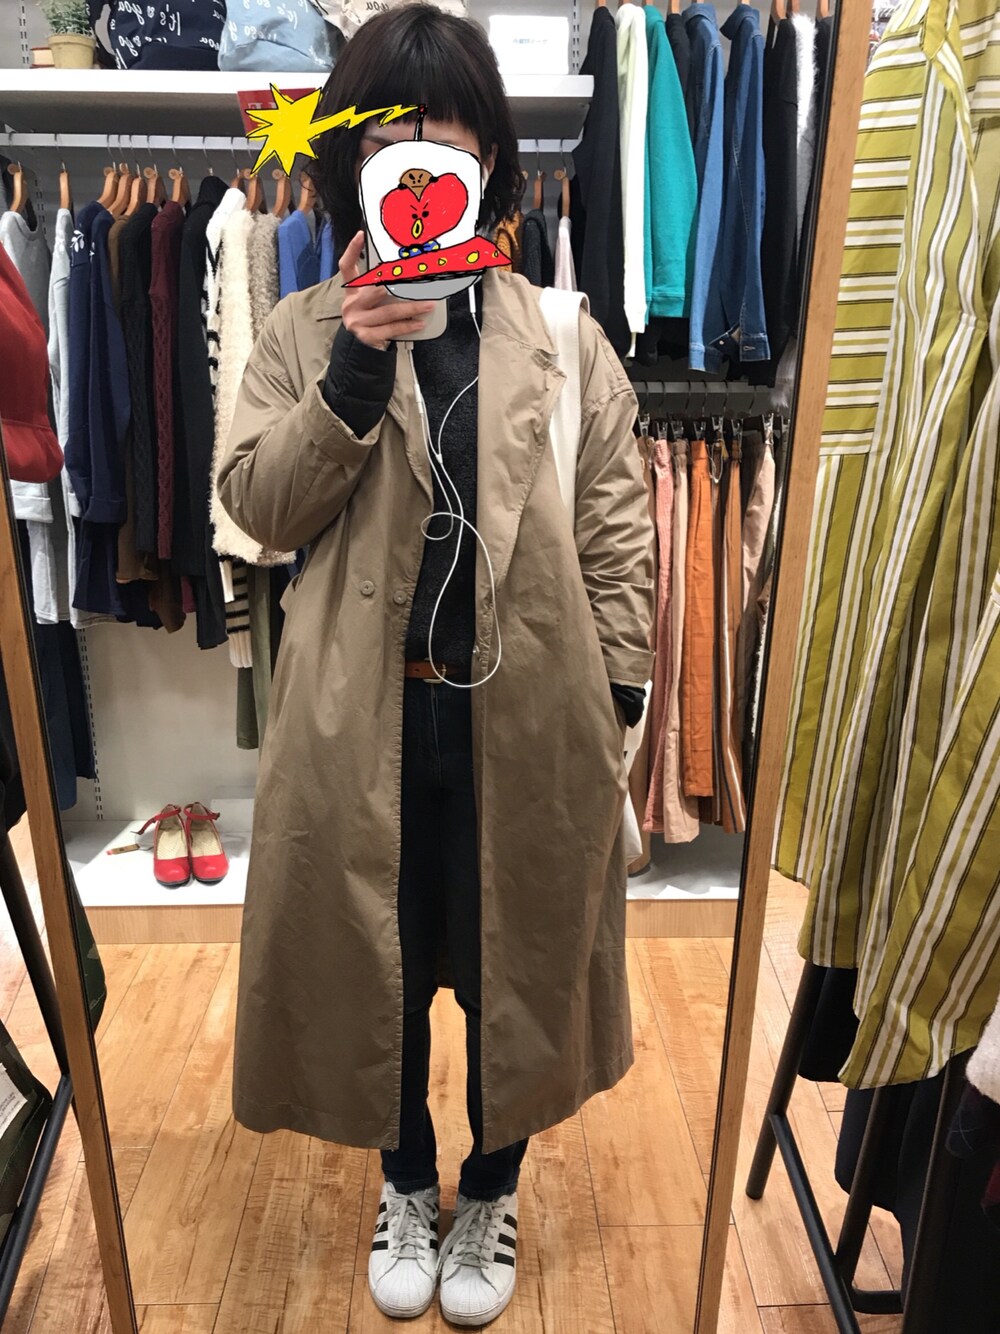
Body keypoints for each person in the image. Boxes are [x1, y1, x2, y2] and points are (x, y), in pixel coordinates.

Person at [218, 6, 654, 1327]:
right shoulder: (305, 330)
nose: (416, 160)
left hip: (528, 726)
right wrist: (354, 371)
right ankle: (407, 1177)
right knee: (385, 973)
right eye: (385, 140)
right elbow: (257, 503)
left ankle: (492, 1186)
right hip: (362, 730)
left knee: (516, 965)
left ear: (489, 159)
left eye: (445, 135)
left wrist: (617, 696)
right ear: (350, 167)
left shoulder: (560, 330)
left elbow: (615, 523)